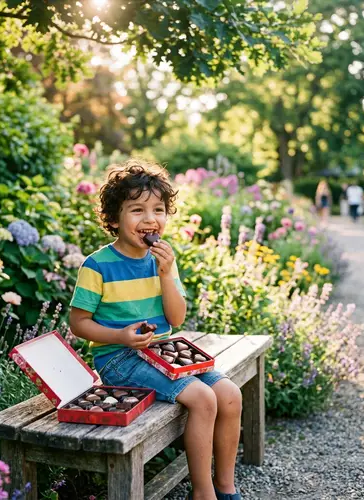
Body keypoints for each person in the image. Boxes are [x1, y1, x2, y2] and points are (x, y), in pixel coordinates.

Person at [69, 159, 242, 500]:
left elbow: (176, 318)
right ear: (114, 218)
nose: (150, 219)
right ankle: (203, 492)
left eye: (158, 209)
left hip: (164, 353)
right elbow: (78, 324)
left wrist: (166, 274)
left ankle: (226, 486)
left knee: (230, 396)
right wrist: (119, 336)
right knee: (204, 399)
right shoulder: (97, 266)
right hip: (120, 358)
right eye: (137, 210)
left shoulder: (161, 259)